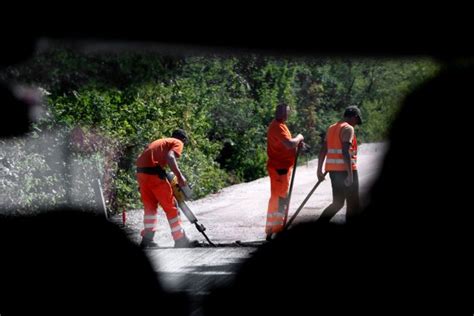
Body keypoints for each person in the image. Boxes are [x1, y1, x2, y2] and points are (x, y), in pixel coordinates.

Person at [136, 129, 196, 248]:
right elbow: (170, 157)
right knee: (171, 208)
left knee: (150, 209)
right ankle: (180, 239)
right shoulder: (177, 142)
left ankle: (147, 240)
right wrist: (180, 176)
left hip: (142, 174)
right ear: (183, 139)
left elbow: (144, 158)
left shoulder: (160, 142)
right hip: (154, 175)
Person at [316, 105, 362, 223]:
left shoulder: (332, 128)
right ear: (354, 117)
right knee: (353, 205)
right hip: (346, 171)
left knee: (338, 203)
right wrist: (350, 175)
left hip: (333, 171)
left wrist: (319, 170)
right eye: (357, 121)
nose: (356, 124)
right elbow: (345, 152)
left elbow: (323, 150)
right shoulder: (348, 128)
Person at [265, 103, 304, 240]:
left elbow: (287, 145)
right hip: (279, 169)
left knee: (279, 198)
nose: (287, 114)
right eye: (286, 112)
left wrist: (297, 145)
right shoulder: (277, 126)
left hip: (281, 168)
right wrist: (299, 137)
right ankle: (275, 229)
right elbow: (289, 143)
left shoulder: (280, 125)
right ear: (281, 113)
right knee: (280, 199)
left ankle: (274, 229)